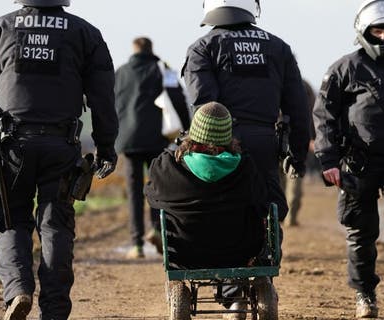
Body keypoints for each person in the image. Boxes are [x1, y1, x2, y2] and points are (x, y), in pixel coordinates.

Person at [0, 0, 118, 319]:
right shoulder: (85, 33)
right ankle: (55, 310)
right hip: (62, 144)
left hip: (12, 146)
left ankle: (18, 289)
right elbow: (103, 97)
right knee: (55, 224)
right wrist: (105, 146)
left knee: (10, 218)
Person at [313, 1, 384, 318]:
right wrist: (328, 160)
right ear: (365, 33)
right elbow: (324, 117)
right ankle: (365, 294)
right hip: (358, 162)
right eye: (378, 30)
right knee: (361, 233)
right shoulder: (343, 69)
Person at [182, 0, 311, 225]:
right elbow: (298, 108)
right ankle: (265, 255)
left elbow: (204, 106)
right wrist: (297, 156)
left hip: (219, 145)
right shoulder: (278, 47)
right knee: (268, 208)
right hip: (265, 142)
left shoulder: (202, 47)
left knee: (220, 208)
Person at [144, 102, 266, 271]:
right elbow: (262, 204)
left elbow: (150, 195)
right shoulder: (245, 168)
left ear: (193, 131)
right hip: (237, 256)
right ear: (228, 134)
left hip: (184, 255)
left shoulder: (167, 167)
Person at [114, 37, 190, 259]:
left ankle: (137, 244)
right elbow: (177, 98)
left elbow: (111, 102)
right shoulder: (162, 69)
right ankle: (156, 229)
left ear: (134, 50)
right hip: (157, 138)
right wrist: (186, 131)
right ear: (151, 49)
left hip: (128, 140)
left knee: (134, 191)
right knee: (158, 186)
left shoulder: (121, 72)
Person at [279, 79, 316, 227]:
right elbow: (311, 114)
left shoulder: (273, 79)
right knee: (293, 179)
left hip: (277, 136)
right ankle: (290, 219)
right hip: (296, 138)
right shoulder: (305, 86)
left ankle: (284, 218)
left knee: (281, 181)